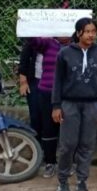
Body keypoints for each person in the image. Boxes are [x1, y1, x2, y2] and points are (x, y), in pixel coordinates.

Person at [52, 18, 97, 191]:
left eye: (94, 31)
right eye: (87, 32)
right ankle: (63, 181)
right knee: (67, 144)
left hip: (93, 104)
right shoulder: (65, 53)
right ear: (78, 33)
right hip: (69, 103)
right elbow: (58, 81)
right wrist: (56, 106)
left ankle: (82, 181)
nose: (91, 35)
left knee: (87, 143)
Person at [18, 36, 66, 178]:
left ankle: (61, 160)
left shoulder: (68, 42)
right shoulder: (40, 38)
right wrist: (23, 81)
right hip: (36, 82)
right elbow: (25, 56)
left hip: (60, 85)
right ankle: (41, 156)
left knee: (59, 123)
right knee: (37, 119)